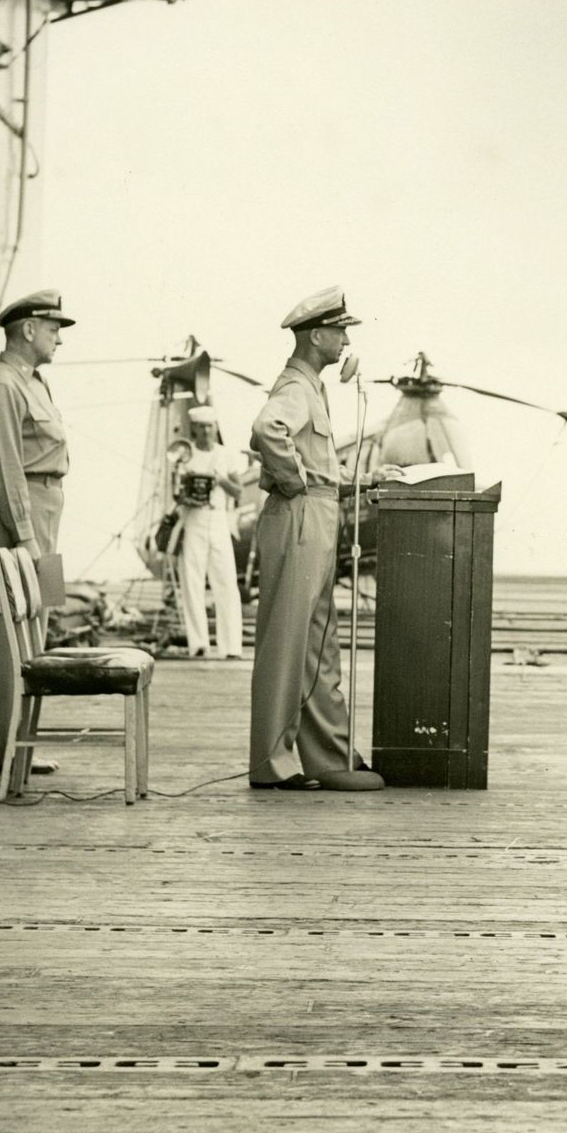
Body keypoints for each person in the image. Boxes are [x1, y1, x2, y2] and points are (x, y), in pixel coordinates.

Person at [249, 288, 382, 790]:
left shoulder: (312, 388)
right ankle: (271, 765)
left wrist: (362, 480)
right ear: (317, 335)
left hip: (319, 513)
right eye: (340, 331)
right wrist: (295, 483)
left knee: (317, 644)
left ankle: (328, 756)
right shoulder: (296, 388)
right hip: (302, 515)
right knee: (289, 642)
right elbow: (268, 429)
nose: (346, 340)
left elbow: (315, 461)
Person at [0, 289, 76, 775]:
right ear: (28, 329)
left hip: (45, 508)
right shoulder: (1, 385)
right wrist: (26, 536)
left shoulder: (36, 383)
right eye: (53, 329)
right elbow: (7, 469)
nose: (58, 339)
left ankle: (23, 743)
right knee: (7, 632)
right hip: (20, 515)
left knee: (36, 628)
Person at [175, 404, 253, 659]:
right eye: (201, 427)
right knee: (192, 582)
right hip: (193, 519)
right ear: (194, 429)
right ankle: (198, 643)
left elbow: (239, 491)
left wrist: (220, 480)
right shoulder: (185, 455)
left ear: (215, 428)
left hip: (219, 519)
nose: (206, 431)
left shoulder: (226, 454)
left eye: (210, 427)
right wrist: (187, 493)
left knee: (226, 583)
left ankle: (231, 646)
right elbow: (176, 492)